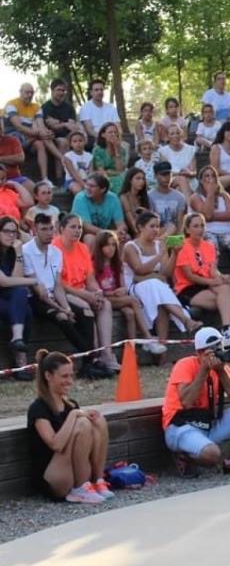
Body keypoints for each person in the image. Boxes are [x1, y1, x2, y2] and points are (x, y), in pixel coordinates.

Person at [163, 327, 230, 477]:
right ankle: (183, 457)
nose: (218, 352)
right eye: (213, 349)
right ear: (200, 352)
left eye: (220, 347)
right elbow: (187, 402)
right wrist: (203, 371)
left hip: (207, 425)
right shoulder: (185, 365)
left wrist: (221, 372)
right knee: (212, 456)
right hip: (180, 427)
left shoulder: (223, 368)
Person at [21, 214, 102, 381]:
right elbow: (39, 292)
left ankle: (88, 365)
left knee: (85, 313)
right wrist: (62, 309)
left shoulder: (55, 252)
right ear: (35, 230)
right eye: (44, 229)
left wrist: (66, 306)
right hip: (36, 299)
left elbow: (57, 286)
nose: (49, 233)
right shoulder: (26, 251)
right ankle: (92, 357)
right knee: (62, 316)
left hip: (54, 295)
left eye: (51, 228)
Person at [27, 350, 114, 503]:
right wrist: (74, 415)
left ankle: (97, 480)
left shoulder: (71, 404)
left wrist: (84, 415)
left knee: (98, 421)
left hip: (71, 469)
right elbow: (56, 444)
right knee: (82, 422)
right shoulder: (39, 407)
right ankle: (80, 487)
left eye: (71, 375)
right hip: (53, 477)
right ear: (48, 376)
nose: (70, 381)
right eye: (64, 376)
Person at [54, 214, 120, 374]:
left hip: (83, 290)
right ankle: (94, 355)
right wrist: (86, 296)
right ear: (62, 229)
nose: (77, 231)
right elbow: (59, 284)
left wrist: (97, 292)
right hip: (63, 293)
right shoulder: (54, 248)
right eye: (73, 227)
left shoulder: (83, 248)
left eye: (79, 227)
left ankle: (106, 353)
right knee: (85, 307)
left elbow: (90, 279)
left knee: (105, 304)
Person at [124, 211, 203, 338]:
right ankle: (185, 319)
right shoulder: (130, 247)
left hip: (156, 286)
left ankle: (162, 349)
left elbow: (166, 273)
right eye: (152, 226)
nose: (156, 230)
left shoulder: (159, 245)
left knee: (161, 304)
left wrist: (175, 254)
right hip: (134, 286)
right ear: (140, 227)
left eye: (157, 226)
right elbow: (139, 269)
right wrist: (160, 256)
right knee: (156, 285)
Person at [93, 230, 166, 356]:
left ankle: (130, 352)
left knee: (130, 313)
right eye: (107, 245)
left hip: (117, 297)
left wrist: (121, 290)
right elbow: (95, 289)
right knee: (133, 300)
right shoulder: (94, 264)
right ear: (100, 247)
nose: (111, 249)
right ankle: (148, 337)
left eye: (113, 245)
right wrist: (111, 294)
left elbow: (123, 286)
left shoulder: (116, 264)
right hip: (104, 299)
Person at [174, 213, 230, 345]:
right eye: (196, 226)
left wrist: (221, 277)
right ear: (187, 230)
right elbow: (189, 276)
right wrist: (213, 281)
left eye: (202, 225)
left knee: (226, 291)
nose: (200, 229)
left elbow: (212, 270)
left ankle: (227, 330)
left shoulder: (209, 246)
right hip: (188, 287)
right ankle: (227, 333)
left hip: (207, 285)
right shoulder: (182, 246)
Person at [0, 215, 34, 368]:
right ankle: (21, 361)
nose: (11, 235)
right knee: (24, 309)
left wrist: (19, 252)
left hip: (7, 297)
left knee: (23, 303)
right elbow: (5, 282)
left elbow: (16, 279)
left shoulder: (13, 251)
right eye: (6, 231)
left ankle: (17, 339)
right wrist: (34, 280)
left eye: (14, 232)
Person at [5, 83, 52, 185]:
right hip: (14, 136)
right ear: (20, 92)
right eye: (27, 92)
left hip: (30, 136)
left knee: (40, 143)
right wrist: (38, 133)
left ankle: (45, 179)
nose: (29, 95)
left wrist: (45, 132)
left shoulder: (36, 107)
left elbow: (40, 124)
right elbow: (18, 126)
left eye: (32, 93)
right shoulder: (11, 104)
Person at [190, 166, 230, 249]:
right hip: (208, 232)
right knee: (210, 246)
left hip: (228, 231)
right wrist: (211, 193)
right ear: (201, 181)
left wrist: (210, 217)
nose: (211, 178)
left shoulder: (225, 195)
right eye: (207, 176)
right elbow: (207, 215)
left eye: (213, 176)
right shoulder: (196, 197)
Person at [41, 78, 81, 183]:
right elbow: (51, 126)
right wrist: (64, 123)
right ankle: (61, 178)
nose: (61, 93)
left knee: (77, 138)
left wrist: (58, 123)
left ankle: (80, 174)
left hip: (69, 135)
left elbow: (72, 126)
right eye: (59, 90)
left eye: (63, 90)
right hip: (51, 138)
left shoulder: (69, 107)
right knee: (62, 142)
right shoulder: (46, 107)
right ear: (52, 91)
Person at [70, 173, 127, 246]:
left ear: (102, 189)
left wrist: (120, 232)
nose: (87, 188)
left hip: (104, 233)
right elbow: (87, 227)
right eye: (87, 184)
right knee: (90, 238)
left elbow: (121, 223)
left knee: (125, 238)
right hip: (83, 234)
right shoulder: (80, 198)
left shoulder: (113, 198)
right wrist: (110, 233)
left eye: (92, 186)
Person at [158, 124, 198, 199]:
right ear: (168, 136)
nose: (175, 136)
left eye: (177, 133)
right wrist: (179, 173)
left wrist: (189, 173)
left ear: (181, 134)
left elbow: (194, 172)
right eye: (172, 134)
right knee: (181, 179)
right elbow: (165, 172)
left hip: (189, 180)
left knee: (179, 188)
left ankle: (185, 208)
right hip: (171, 180)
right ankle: (190, 208)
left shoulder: (191, 149)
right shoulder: (163, 151)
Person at [149, 161, 187, 234]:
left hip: (174, 236)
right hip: (156, 234)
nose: (167, 178)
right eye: (163, 175)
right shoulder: (149, 196)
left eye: (169, 174)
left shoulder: (180, 197)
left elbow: (180, 223)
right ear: (155, 176)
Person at [91, 122, 128, 194]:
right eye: (110, 132)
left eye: (115, 132)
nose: (113, 135)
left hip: (118, 176)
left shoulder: (122, 150)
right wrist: (109, 179)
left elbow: (120, 169)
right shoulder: (98, 150)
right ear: (103, 135)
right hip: (103, 177)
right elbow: (101, 170)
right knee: (116, 184)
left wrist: (116, 150)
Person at [119, 167, 152, 237]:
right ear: (130, 180)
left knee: (171, 226)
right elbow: (131, 221)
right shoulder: (124, 197)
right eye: (138, 178)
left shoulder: (143, 197)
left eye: (143, 179)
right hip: (132, 231)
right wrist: (142, 232)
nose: (141, 181)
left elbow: (151, 219)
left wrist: (146, 212)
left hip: (145, 228)